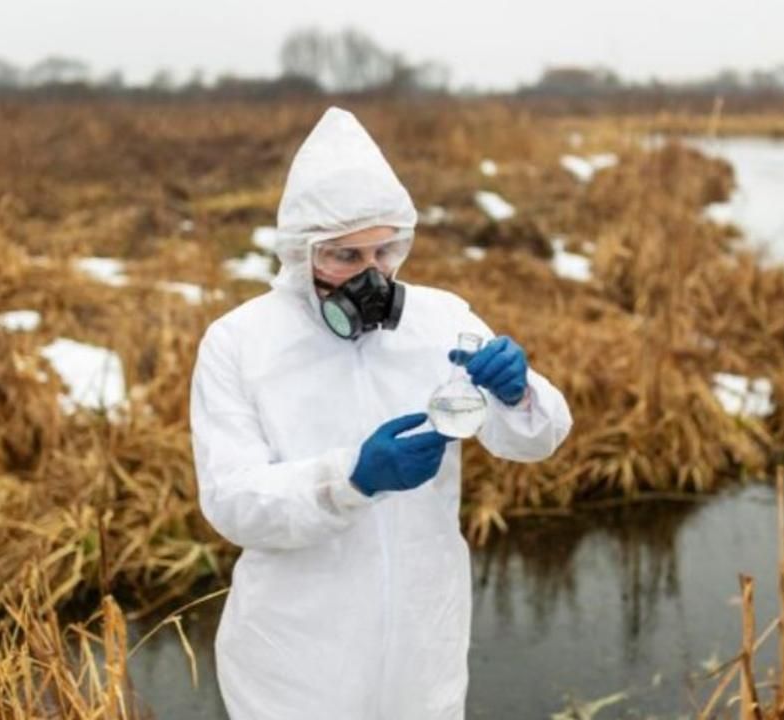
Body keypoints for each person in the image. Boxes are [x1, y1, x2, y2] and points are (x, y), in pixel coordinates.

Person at [189, 106, 572, 720]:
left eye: (385, 250)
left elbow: (532, 441)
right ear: (299, 253)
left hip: (424, 644)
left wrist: (520, 393)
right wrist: (350, 479)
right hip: (296, 658)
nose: (372, 276)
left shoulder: (439, 318)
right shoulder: (241, 343)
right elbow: (232, 503)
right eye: (344, 256)